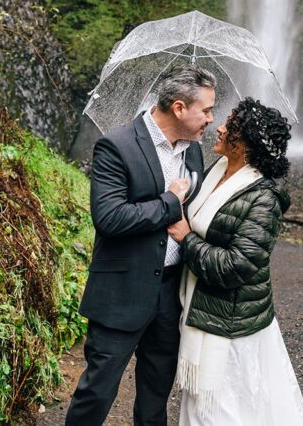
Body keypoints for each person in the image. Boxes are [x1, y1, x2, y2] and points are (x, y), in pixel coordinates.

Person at [65, 63, 216, 426]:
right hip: (122, 289)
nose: (211, 119)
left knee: (156, 395)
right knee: (97, 391)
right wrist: (168, 201)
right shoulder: (117, 145)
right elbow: (110, 218)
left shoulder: (193, 150)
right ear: (179, 107)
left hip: (169, 292)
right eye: (206, 109)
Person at [167, 97, 303, 425]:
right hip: (203, 308)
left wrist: (187, 238)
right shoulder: (217, 170)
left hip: (231, 323)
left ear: (243, 144)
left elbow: (236, 267)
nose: (219, 127)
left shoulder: (263, 199)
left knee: (222, 408)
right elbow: (209, 221)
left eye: (229, 125)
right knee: (201, 402)